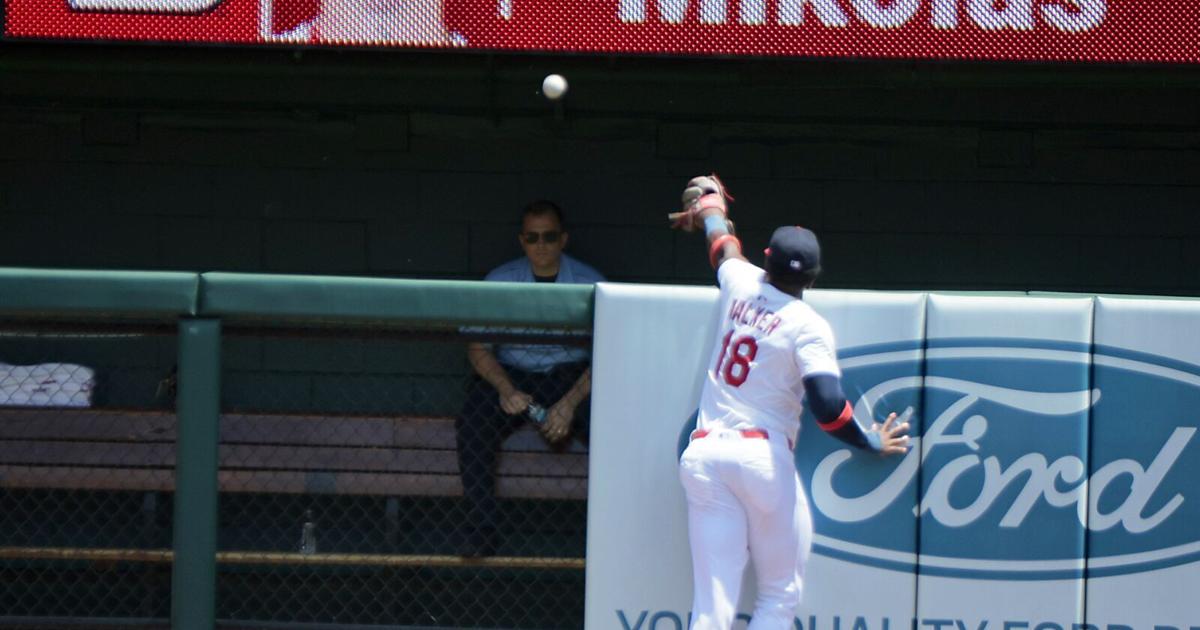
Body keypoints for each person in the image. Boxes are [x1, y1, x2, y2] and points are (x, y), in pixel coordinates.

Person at [668, 175, 910, 629]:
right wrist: (868, 442)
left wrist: (710, 206)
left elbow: (722, 245)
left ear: (767, 261)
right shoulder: (807, 324)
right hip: (761, 459)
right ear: (814, 278)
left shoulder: (742, 282)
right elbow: (828, 406)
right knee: (779, 595)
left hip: (704, 456)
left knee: (712, 607)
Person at [455, 200, 605, 557]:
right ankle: (483, 532)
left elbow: (608, 353)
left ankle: (609, 535)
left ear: (563, 239)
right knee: (473, 421)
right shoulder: (500, 280)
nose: (541, 245)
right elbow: (477, 347)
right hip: (515, 375)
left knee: (612, 428)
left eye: (549, 237)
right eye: (533, 238)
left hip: (571, 379)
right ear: (522, 241)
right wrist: (507, 391)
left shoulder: (592, 282)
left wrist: (569, 404)